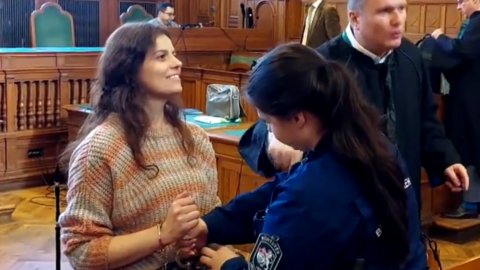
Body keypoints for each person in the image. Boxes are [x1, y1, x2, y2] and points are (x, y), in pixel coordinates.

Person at [178, 43, 428, 270]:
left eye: (268, 122)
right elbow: (279, 190)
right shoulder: (371, 144)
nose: (269, 132)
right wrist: (211, 225)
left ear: (298, 118)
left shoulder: (309, 192)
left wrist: (229, 265)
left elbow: (293, 202)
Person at [239, 0, 470, 211]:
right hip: (348, 210)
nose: (398, 19)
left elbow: (426, 121)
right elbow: (272, 118)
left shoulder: (412, 56)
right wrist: (273, 139)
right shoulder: (323, 63)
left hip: (403, 203)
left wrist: (446, 159)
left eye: (401, 8)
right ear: (355, 18)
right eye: (385, 11)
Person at [58, 22, 220, 270]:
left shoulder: (196, 138)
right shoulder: (101, 148)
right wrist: (163, 234)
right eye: (162, 56)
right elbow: (82, 252)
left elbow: (211, 218)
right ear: (128, 71)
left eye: (174, 54)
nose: (177, 63)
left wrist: (202, 236)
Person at [428, 0, 480, 218]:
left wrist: (439, 37)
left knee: (469, 148)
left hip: (472, 100)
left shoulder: (478, 22)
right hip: (471, 97)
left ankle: (471, 204)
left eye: (461, 1)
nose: (458, 7)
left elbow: (461, 51)